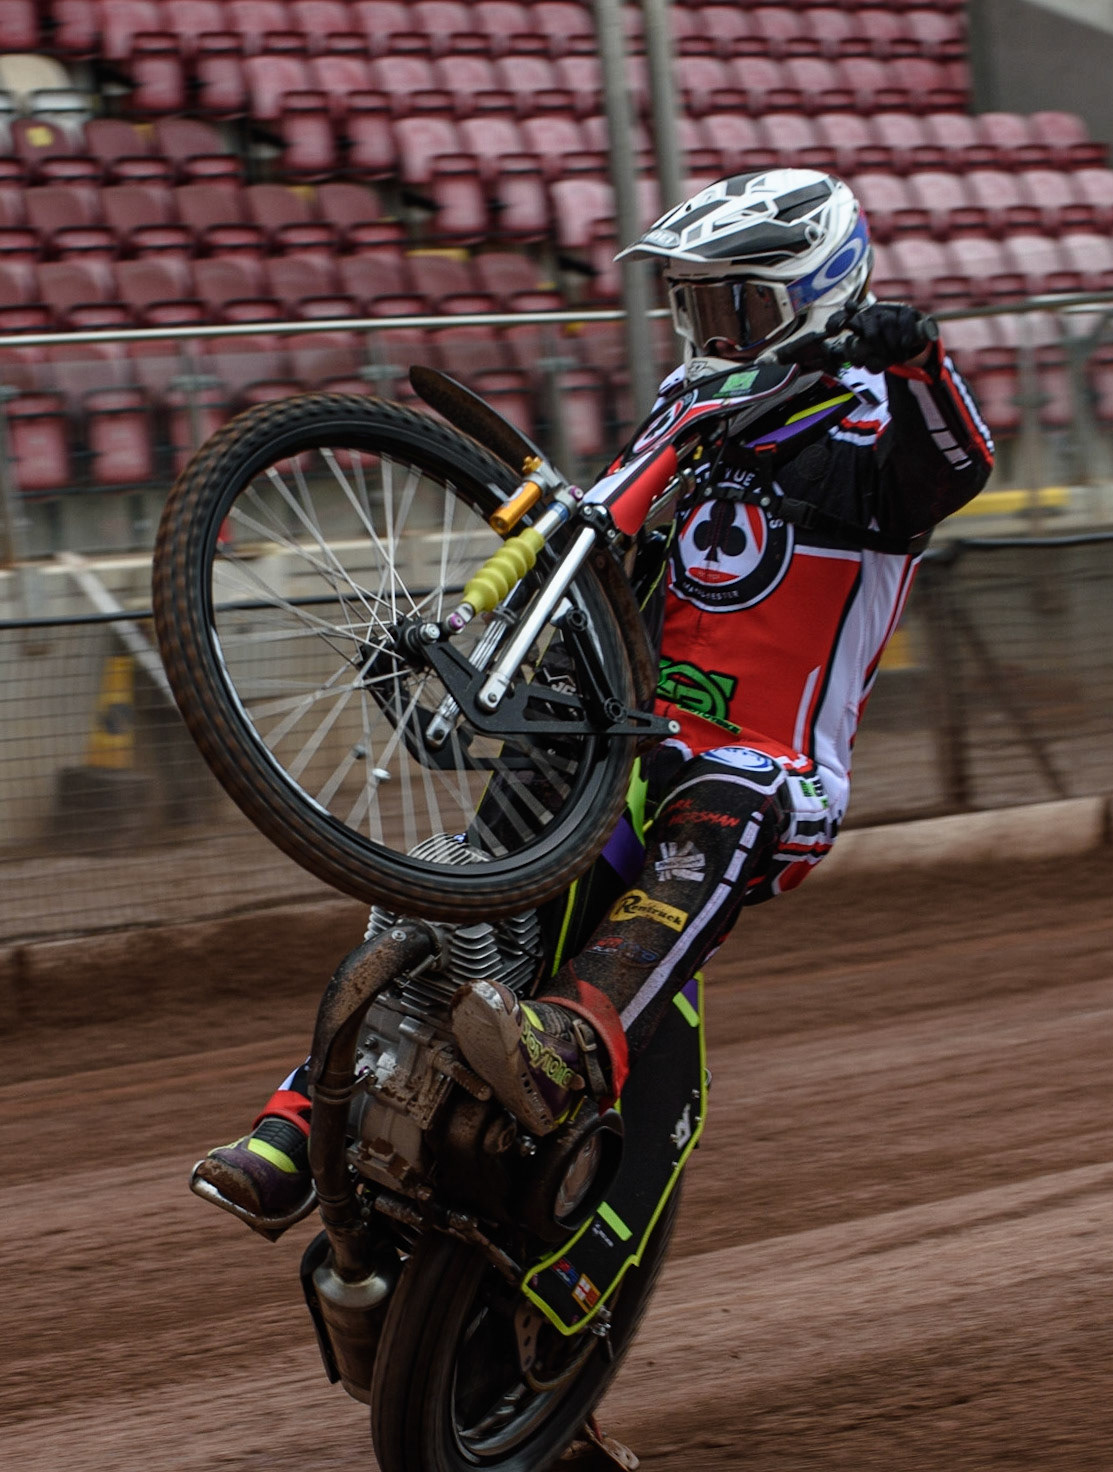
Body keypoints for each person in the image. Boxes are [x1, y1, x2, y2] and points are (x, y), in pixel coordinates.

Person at [193, 169, 994, 1233]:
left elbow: (961, 461)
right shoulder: (693, 405)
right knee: (451, 891)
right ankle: (300, 1124)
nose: (710, 328)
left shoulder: (874, 431)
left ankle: (573, 1042)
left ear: (822, 292)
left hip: (763, 762)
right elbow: (593, 541)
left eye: (738, 304)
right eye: (694, 304)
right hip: (612, 734)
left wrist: (916, 355)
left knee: (727, 796)